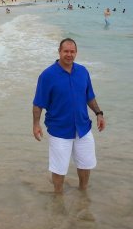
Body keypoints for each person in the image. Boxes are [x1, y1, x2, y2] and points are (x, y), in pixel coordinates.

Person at [32, 38, 106, 194]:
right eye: (66, 51)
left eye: (72, 51)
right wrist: (36, 124)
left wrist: (99, 113)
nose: (69, 55)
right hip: (59, 130)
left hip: (83, 128)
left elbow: (89, 96)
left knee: (86, 164)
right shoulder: (47, 75)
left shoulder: (83, 72)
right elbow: (38, 103)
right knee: (59, 169)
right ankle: (58, 198)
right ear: (59, 52)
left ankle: (83, 193)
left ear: (76, 53)